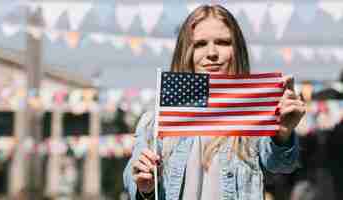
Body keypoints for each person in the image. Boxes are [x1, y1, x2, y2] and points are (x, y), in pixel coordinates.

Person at [123, 4, 306, 200]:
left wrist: (283, 134)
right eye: (200, 44)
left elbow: (281, 164)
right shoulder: (157, 120)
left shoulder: (255, 115)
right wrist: (144, 185)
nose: (212, 52)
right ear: (186, 52)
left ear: (237, 50)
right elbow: (132, 182)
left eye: (223, 42)